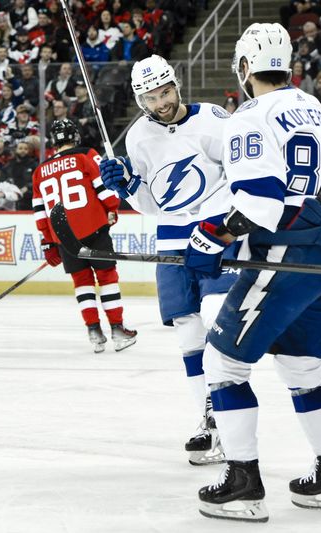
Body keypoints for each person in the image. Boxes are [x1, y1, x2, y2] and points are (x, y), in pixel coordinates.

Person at [183, 23, 321, 522]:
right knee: (303, 368)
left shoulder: (249, 115)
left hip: (283, 255)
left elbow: (261, 203)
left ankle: (243, 484)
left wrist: (210, 235)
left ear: (244, 67)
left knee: (222, 367)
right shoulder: (310, 104)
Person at [99, 55, 236, 466]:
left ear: (175, 85)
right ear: (140, 100)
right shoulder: (138, 137)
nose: (161, 103)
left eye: (165, 92)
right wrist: (126, 187)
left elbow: (240, 172)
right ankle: (208, 422)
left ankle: (228, 417)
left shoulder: (212, 118)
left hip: (215, 230)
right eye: (151, 98)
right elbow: (151, 201)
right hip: (172, 236)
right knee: (187, 332)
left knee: (216, 315)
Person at [32, 119, 136, 353]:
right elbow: (102, 186)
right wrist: (111, 208)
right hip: (94, 228)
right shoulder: (85, 155)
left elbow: (40, 211)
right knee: (107, 277)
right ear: (75, 137)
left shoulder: (39, 171)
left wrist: (49, 242)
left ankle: (94, 332)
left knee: (82, 282)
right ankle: (118, 330)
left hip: (64, 237)